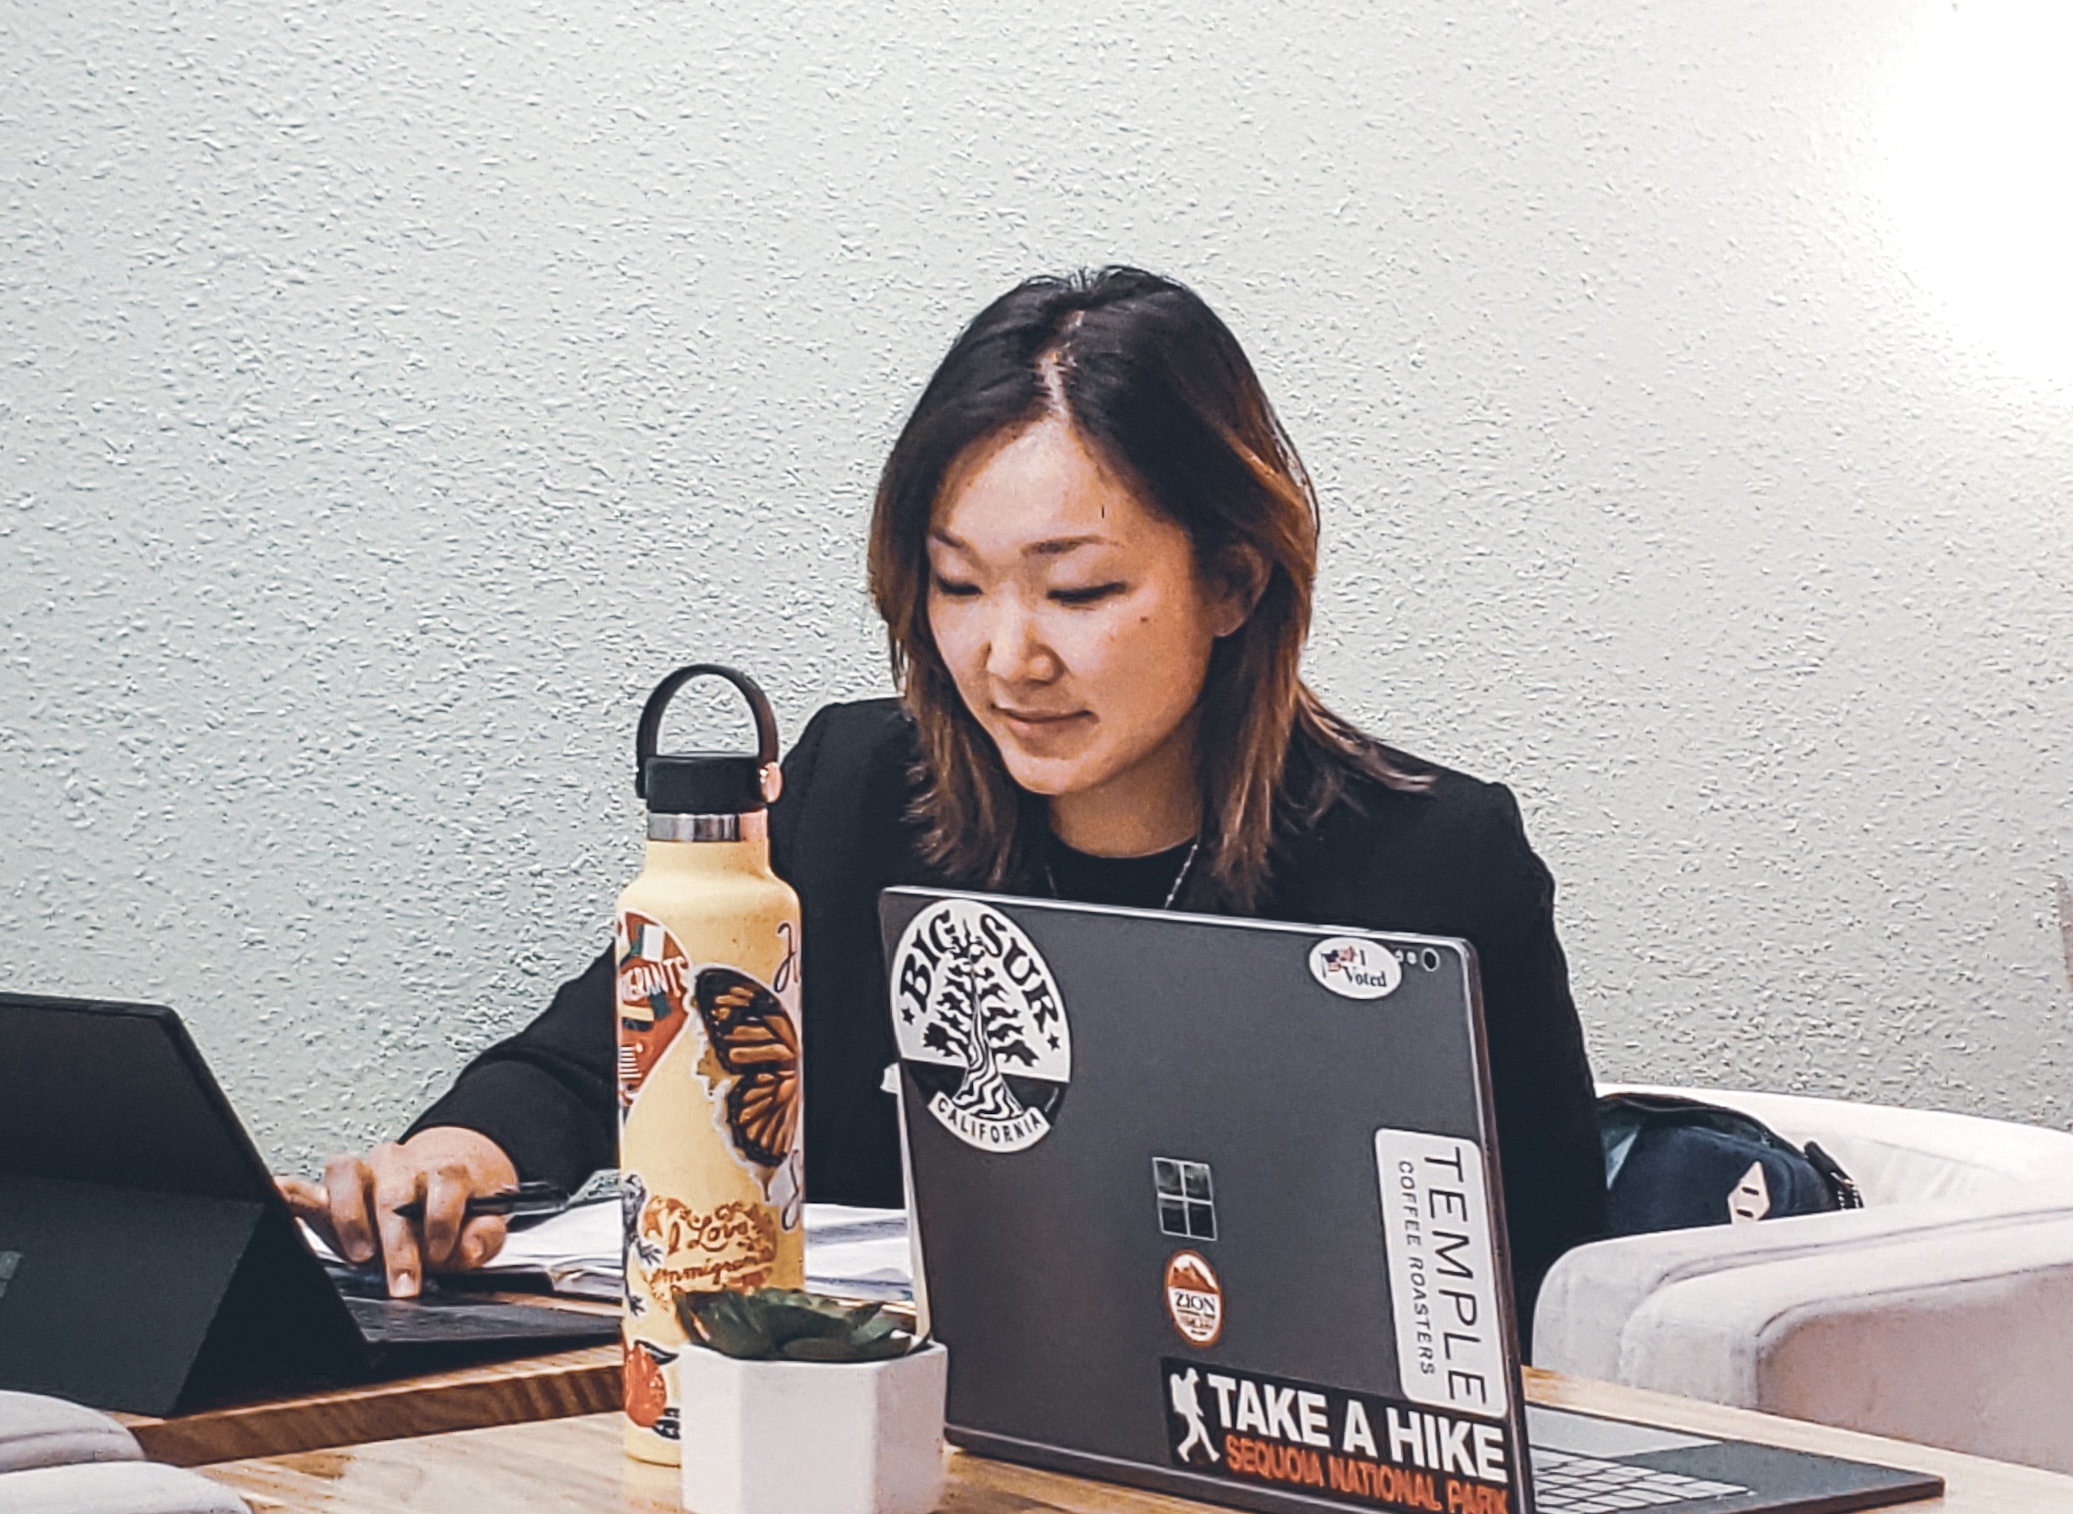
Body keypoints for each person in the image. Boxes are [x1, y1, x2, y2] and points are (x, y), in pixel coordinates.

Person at [293, 266, 1607, 1319]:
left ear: (1232, 581)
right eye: (957, 582)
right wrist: (457, 1156)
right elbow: (594, 1064)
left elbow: (1551, 1299)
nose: (1006, 654)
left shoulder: (1433, 861)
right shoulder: (852, 792)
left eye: (1078, 588)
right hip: (877, 1493)